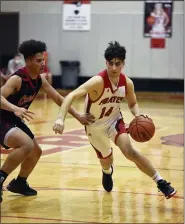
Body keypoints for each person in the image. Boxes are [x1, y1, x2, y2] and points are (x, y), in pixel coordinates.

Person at [53, 41, 176, 199]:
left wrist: (138, 115)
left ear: (123, 64)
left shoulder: (127, 83)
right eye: (110, 63)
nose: (113, 68)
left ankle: (160, 182)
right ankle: (106, 171)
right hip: (94, 126)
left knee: (130, 152)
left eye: (117, 64)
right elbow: (71, 95)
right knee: (107, 160)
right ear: (106, 63)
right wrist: (60, 118)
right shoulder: (98, 81)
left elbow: (132, 104)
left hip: (114, 121)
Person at [0, 39, 94, 203]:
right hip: (3, 118)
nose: (42, 63)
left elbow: (58, 98)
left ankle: (20, 183)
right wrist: (15, 108)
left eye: (43, 59)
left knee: (36, 151)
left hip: (14, 119)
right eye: (38, 60)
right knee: (26, 145)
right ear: (28, 61)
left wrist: (78, 115)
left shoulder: (39, 80)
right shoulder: (17, 79)